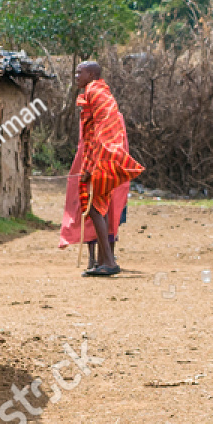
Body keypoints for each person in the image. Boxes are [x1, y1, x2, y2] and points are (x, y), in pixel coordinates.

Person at [70, 61, 144, 277]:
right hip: (100, 155)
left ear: (91, 74)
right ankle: (102, 260)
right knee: (97, 207)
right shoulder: (95, 93)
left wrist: (93, 164)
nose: (76, 76)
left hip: (103, 156)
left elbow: (104, 130)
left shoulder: (96, 92)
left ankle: (109, 262)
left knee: (94, 207)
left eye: (79, 72)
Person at [59, 110, 131, 268]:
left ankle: (105, 259)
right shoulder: (90, 117)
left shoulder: (110, 117)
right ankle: (100, 258)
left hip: (106, 170)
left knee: (102, 212)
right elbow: (84, 144)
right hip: (101, 170)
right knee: (96, 211)